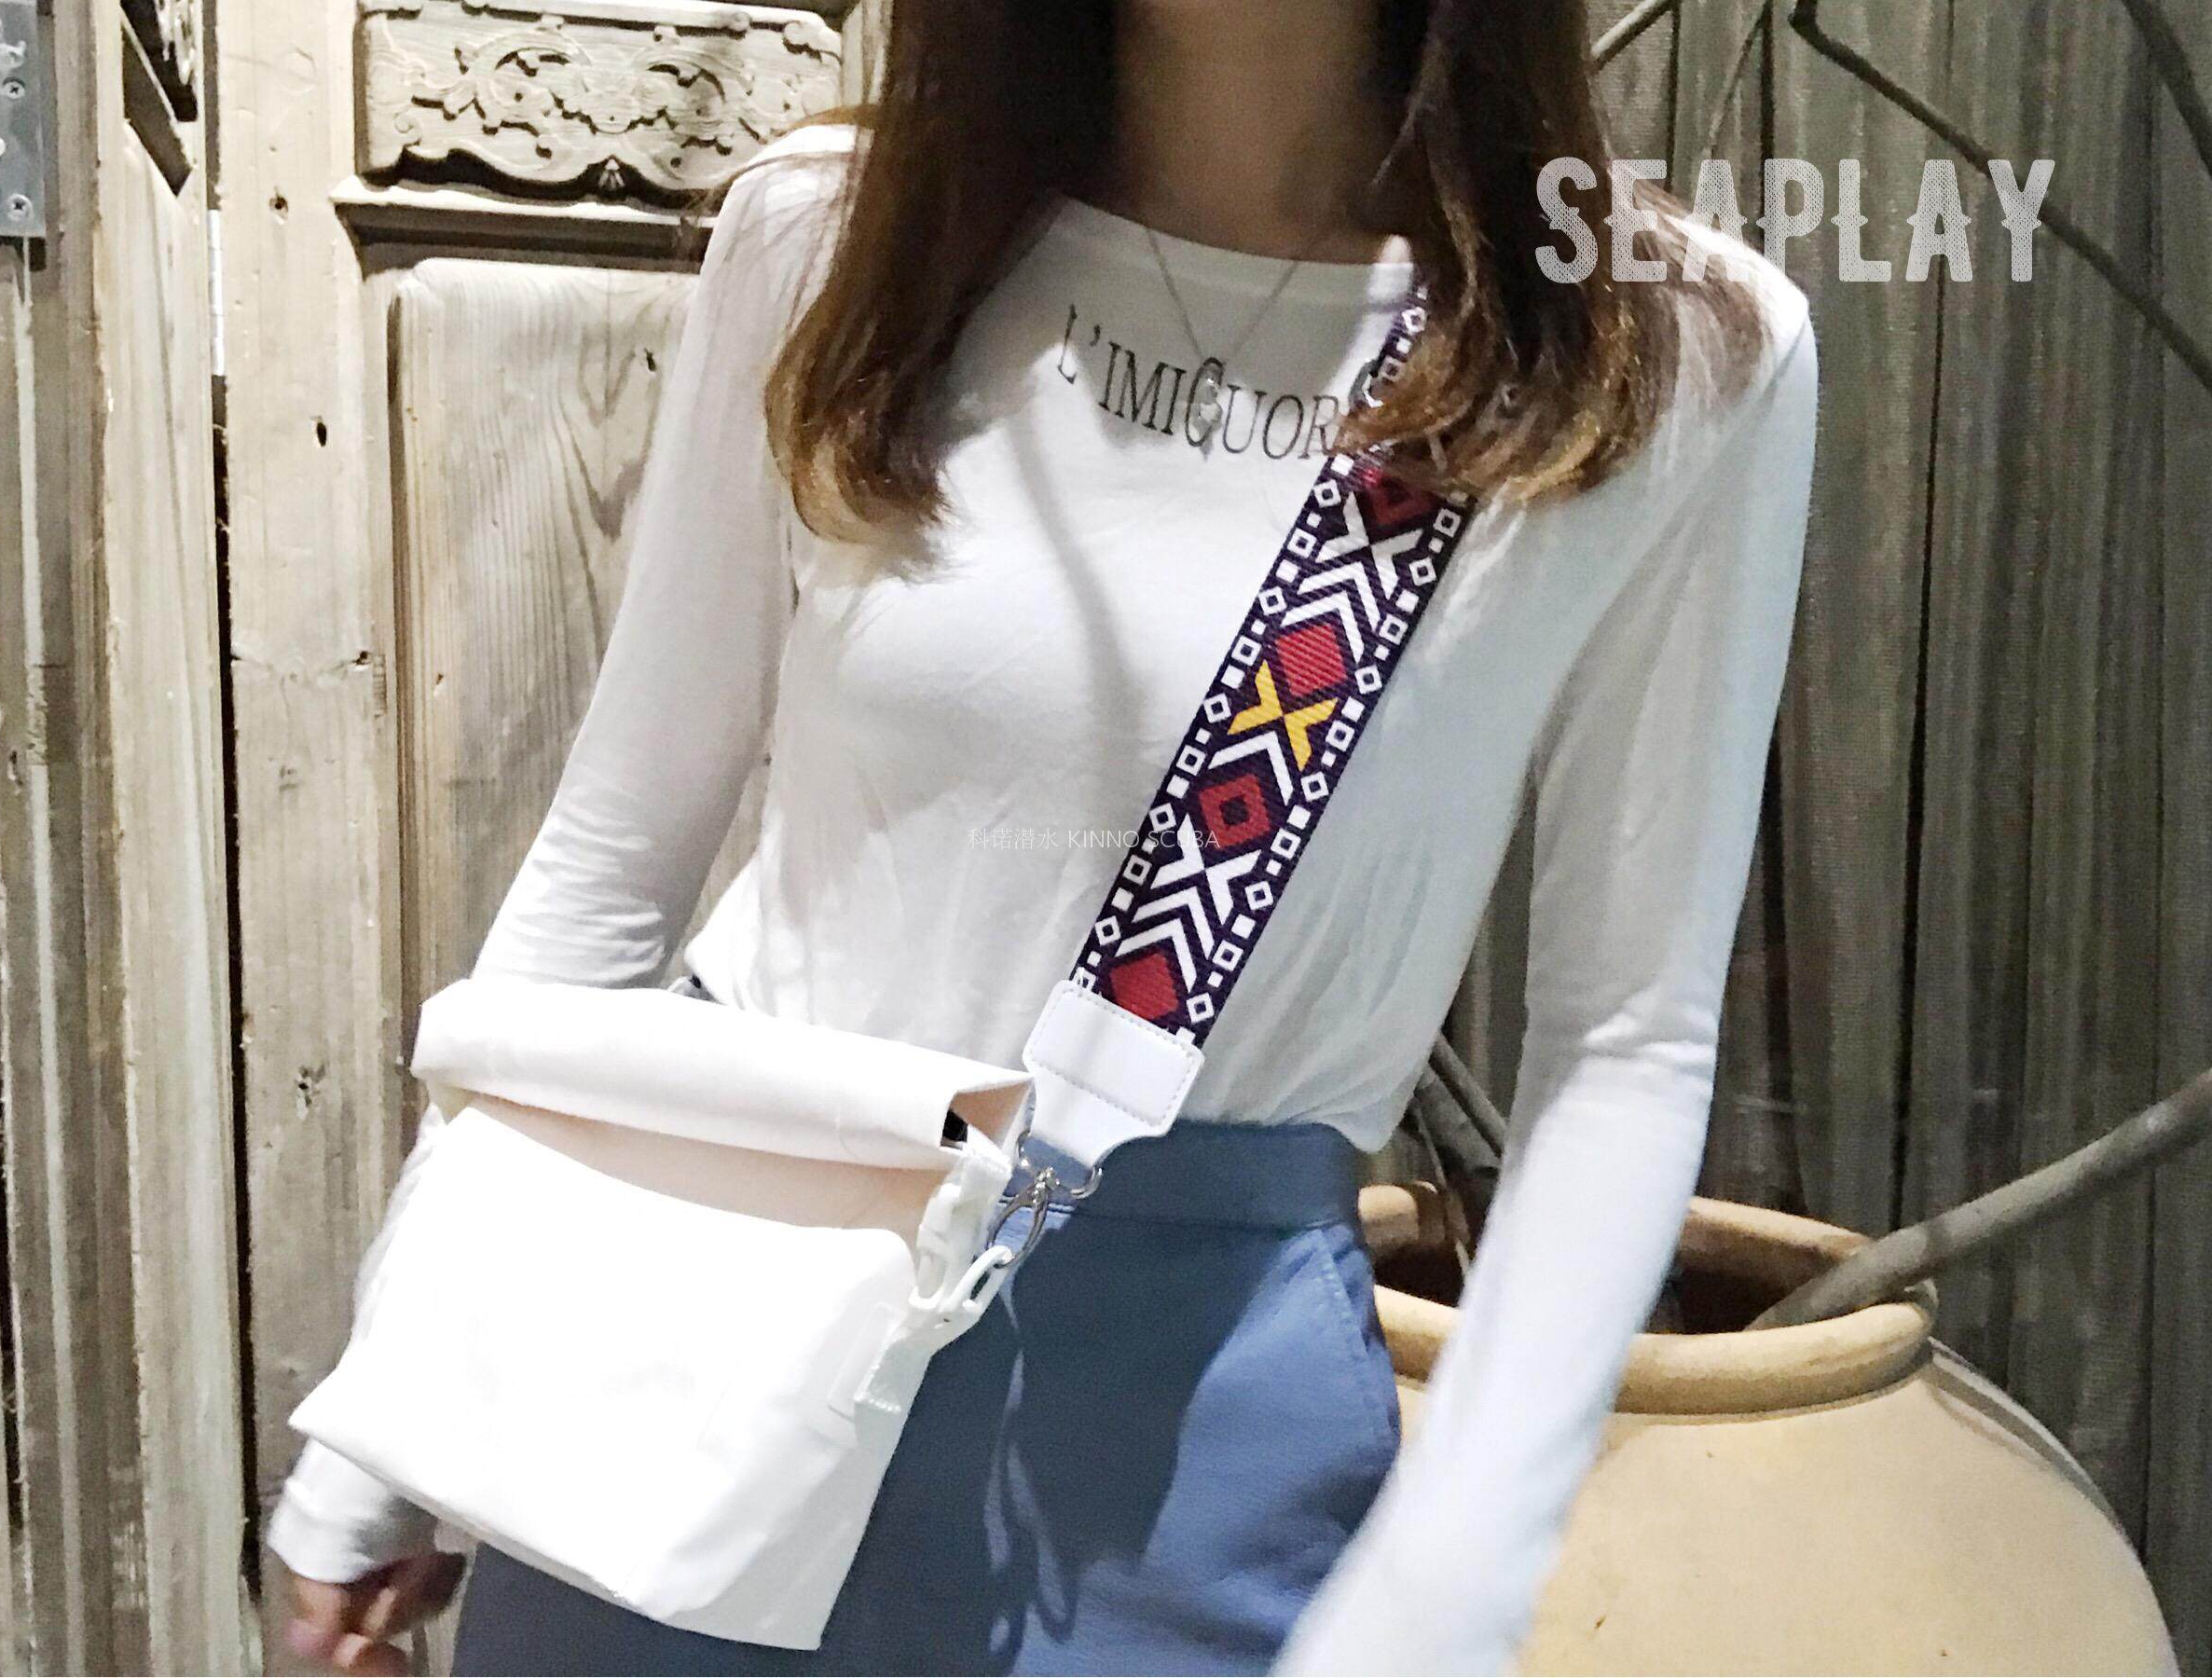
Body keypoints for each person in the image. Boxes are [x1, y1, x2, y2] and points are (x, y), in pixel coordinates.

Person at [267, 0, 1818, 1671]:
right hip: (679, 1372)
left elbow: (1626, 1042)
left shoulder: (1659, 352)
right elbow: (616, 856)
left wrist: (1452, 1574)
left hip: (1176, 1453)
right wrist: (386, 1421)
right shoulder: (839, 235)